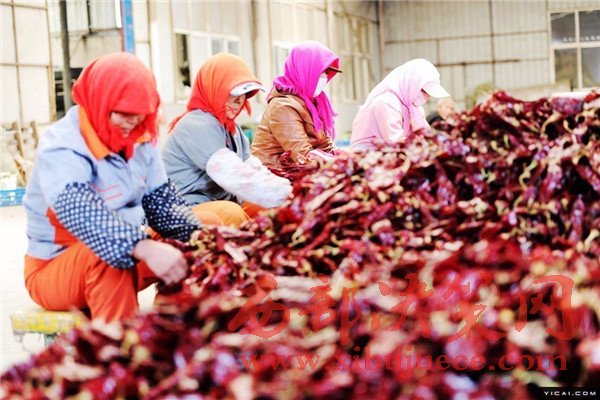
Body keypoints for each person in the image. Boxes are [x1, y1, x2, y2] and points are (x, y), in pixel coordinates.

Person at [23, 52, 210, 322]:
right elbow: (80, 212)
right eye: (123, 114)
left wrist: (207, 240)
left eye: (140, 114)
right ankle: (121, 342)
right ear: (100, 102)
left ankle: (174, 328)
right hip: (55, 269)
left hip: (126, 251)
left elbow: (163, 205)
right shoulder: (62, 146)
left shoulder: (140, 139)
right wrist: (144, 247)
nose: (133, 122)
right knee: (109, 255)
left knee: (204, 231)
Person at [162, 53, 291, 220]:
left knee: (271, 208)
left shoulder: (232, 129)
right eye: (233, 92)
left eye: (245, 94)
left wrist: (291, 193)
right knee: (231, 213)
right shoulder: (196, 125)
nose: (239, 100)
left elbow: (253, 169)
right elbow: (233, 175)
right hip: (181, 211)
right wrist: (285, 193)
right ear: (214, 90)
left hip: (218, 204)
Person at [251, 41, 343, 169]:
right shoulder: (282, 106)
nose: (324, 78)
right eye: (321, 73)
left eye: (326, 73)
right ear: (304, 70)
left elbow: (327, 148)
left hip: (301, 171)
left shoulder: (314, 103)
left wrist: (356, 157)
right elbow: (302, 155)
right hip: (274, 174)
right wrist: (344, 162)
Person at [350, 59, 451, 151]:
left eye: (429, 93)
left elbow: (427, 135)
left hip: (388, 154)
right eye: (424, 91)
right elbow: (396, 142)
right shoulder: (387, 103)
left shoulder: (414, 108)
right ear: (411, 84)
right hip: (365, 156)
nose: (427, 97)